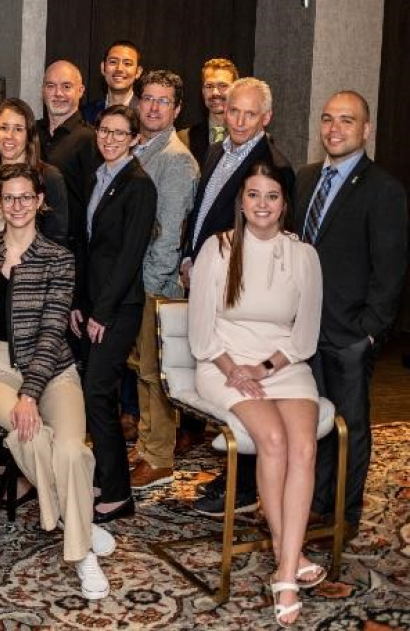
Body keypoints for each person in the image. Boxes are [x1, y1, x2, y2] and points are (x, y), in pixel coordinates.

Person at [0, 164, 115, 600]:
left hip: (52, 367)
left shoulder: (58, 258)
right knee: (32, 437)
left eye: (27, 197)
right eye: (10, 197)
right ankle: (82, 550)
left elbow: (50, 333)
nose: (18, 205)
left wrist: (30, 393)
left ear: (40, 201)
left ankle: (70, 518)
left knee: (69, 449)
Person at [187, 161, 326, 626]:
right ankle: (292, 564)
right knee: (272, 442)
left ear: (285, 204)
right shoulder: (219, 248)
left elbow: (304, 335)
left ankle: (285, 567)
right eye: (253, 195)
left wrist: (265, 368)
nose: (262, 204)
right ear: (241, 201)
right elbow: (202, 329)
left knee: (304, 447)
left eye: (271, 196)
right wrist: (236, 370)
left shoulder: (303, 255)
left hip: (284, 367)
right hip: (224, 364)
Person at [180, 77, 295, 516]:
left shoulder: (273, 164)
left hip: (245, 291)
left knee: (250, 383)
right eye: (234, 111)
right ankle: (237, 474)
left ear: (266, 118)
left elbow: (276, 235)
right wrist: (190, 258)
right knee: (231, 384)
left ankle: (246, 488)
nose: (240, 120)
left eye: (250, 113)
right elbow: (206, 214)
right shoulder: (216, 151)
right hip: (208, 276)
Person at [298, 91, 408, 541]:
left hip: (349, 334)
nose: (334, 129)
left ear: (365, 130)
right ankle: (317, 504)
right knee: (314, 420)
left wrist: (369, 332)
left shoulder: (384, 189)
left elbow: (391, 267)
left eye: (346, 120)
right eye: (327, 119)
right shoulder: (305, 180)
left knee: (350, 426)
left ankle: (344, 514)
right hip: (304, 330)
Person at [71, 105, 156, 525]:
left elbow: (128, 257)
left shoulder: (139, 185)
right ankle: (106, 478)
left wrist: (102, 312)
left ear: (135, 139)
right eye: (105, 131)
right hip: (93, 305)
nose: (109, 139)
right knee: (94, 395)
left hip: (119, 308)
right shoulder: (98, 177)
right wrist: (79, 303)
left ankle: (120, 494)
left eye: (120, 134)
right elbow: (88, 249)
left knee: (97, 393)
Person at [128, 71, 200, 489]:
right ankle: (146, 444)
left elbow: (170, 234)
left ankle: (159, 457)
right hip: (138, 282)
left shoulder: (175, 159)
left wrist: (150, 289)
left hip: (156, 285)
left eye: (163, 101)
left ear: (176, 110)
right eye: (148, 99)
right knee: (141, 369)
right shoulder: (141, 149)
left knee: (156, 374)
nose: (153, 107)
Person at [0, 98, 70, 245]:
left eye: (18, 129)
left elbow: (56, 239)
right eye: (3, 128)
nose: (9, 136)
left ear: (29, 135)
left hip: (31, 266)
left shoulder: (49, 177)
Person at [36, 61, 100, 248]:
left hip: (69, 249)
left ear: (80, 91)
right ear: (42, 90)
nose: (58, 94)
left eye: (66, 86)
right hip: (30, 246)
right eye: (51, 86)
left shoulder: (90, 139)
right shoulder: (31, 132)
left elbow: (94, 202)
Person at [179, 58, 238, 167]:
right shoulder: (184, 139)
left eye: (223, 86)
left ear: (236, 90)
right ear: (202, 91)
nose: (215, 92)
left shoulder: (249, 137)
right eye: (209, 86)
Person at [83, 41, 143, 127]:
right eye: (113, 62)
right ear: (103, 68)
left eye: (127, 64)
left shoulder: (145, 114)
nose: (119, 69)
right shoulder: (86, 113)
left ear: (138, 72)